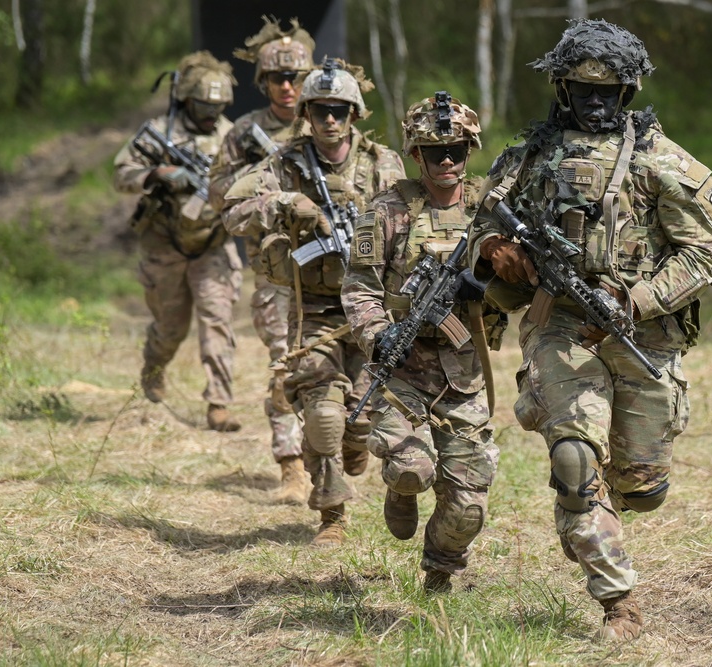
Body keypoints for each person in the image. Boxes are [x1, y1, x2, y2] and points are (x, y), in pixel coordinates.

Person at [467, 19, 712, 641]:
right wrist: (495, 251)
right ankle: (619, 602)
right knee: (575, 459)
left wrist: (635, 298)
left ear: (629, 92)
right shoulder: (528, 157)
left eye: (609, 92)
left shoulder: (663, 163)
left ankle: (605, 508)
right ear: (560, 89)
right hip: (559, 327)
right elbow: (474, 229)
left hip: (643, 335)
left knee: (641, 490)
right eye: (582, 90)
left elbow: (704, 257)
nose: (595, 103)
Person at [221, 59, 406, 546]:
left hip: (372, 308)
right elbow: (233, 211)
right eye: (320, 109)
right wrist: (285, 204)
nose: (329, 119)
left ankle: (358, 437)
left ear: (354, 113)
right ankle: (332, 515)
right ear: (306, 112)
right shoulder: (285, 163)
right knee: (323, 414)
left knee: (361, 415)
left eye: (339, 110)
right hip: (316, 308)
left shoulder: (382, 163)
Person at [342, 93, 505, 593]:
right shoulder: (388, 212)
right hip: (402, 371)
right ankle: (402, 486)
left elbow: (521, 284)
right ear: (417, 155)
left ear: (470, 148)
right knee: (413, 469)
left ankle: (441, 568)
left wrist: (486, 283)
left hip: (463, 373)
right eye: (436, 153)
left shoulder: (491, 211)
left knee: (469, 504)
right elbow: (359, 287)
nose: (448, 161)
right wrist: (378, 334)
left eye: (457, 149)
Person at [208, 18, 314, 503]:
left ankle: (335, 450)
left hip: (333, 272)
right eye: (278, 79)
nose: (287, 87)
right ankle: (291, 465)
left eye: (295, 77)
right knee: (284, 364)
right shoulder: (245, 135)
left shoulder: (328, 119)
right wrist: (274, 200)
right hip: (276, 269)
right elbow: (221, 200)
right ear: (264, 83)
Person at [114, 51, 243, 432]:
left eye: (218, 105)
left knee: (217, 320)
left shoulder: (231, 136)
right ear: (186, 98)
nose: (211, 112)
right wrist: (159, 174)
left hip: (213, 244)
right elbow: (121, 174)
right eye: (204, 104)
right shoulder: (160, 131)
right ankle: (154, 367)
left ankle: (219, 402)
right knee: (171, 327)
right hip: (165, 243)